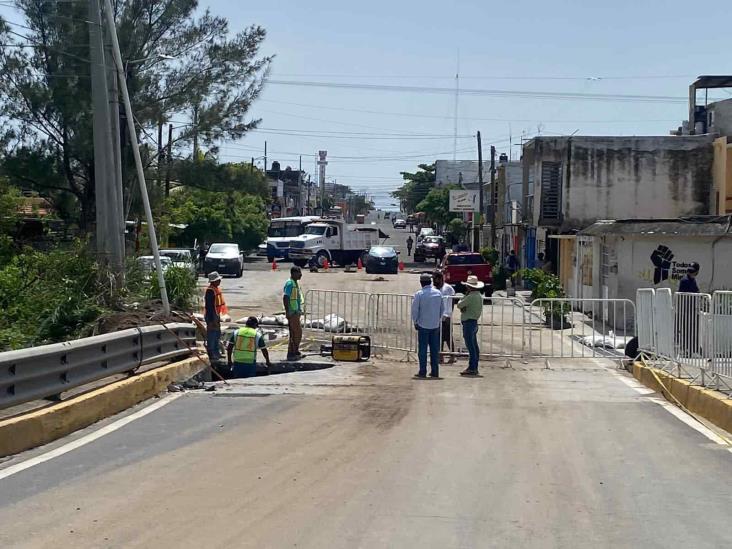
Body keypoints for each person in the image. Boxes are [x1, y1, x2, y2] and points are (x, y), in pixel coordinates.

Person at [411, 273, 444, 378]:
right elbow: (442, 309)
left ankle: (422, 371)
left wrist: (415, 322)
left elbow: (415, 310)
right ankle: (435, 371)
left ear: (421, 283)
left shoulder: (419, 294)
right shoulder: (438, 293)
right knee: (434, 350)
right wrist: (437, 319)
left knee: (423, 350)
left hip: (423, 325)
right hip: (435, 325)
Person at [457, 275, 484, 376]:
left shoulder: (470, 296)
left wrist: (464, 297)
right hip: (474, 322)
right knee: (474, 346)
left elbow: (459, 304)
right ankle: (474, 366)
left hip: (468, 322)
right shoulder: (479, 296)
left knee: (471, 346)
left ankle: (472, 367)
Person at [432, 270, 456, 364]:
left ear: (440, 279)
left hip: (446, 316)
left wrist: (449, 314)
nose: (434, 281)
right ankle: (440, 356)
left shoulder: (448, 288)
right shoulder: (434, 289)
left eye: (435, 279)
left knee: (448, 337)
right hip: (437, 316)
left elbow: (453, 301)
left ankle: (452, 356)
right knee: (438, 337)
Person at [203, 271, 227, 361]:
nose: (220, 281)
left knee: (217, 335)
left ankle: (216, 353)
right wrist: (212, 320)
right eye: (218, 280)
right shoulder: (210, 291)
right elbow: (209, 307)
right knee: (212, 335)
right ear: (213, 281)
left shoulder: (215, 289)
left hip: (215, 315)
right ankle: (211, 353)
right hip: (211, 316)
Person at [283, 266, 304, 361]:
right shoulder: (290, 283)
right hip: (292, 312)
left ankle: (295, 351)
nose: (301, 275)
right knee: (296, 333)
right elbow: (286, 297)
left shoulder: (295, 283)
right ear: (293, 273)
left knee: (296, 333)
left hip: (295, 311)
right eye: (299, 273)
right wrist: (287, 311)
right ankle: (292, 352)